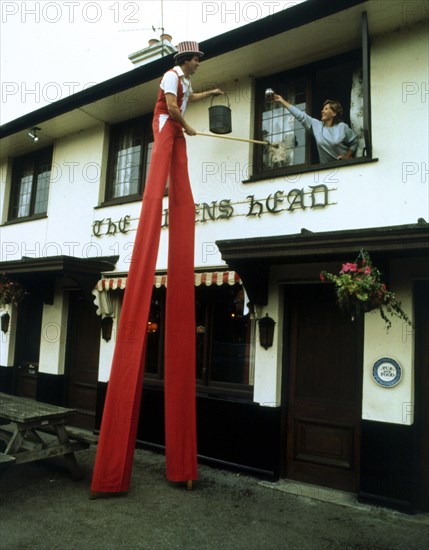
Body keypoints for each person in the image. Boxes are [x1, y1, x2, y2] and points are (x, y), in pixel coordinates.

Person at [91, 42, 222, 496]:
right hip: (166, 129)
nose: (198, 63)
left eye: (199, 60)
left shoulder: (186, 80)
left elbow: (188, 98)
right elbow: (170, 109)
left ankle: (181, 466)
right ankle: (111, 477)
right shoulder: (169, 77)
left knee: (181, 174)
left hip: (178, 128)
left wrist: (206, 97)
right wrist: (188, 126)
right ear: (183, 59)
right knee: (164, 170)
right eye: (196, 59)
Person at [273, 94, 358, 163]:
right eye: (323, 109)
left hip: (345, 166)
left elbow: (354, 142)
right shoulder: (316, 125)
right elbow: (300, 115)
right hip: (326, 168)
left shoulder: (342, 127)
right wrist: (282, 101)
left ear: (334, 113)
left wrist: (347, 157)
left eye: (326, 109)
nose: (322, 111)